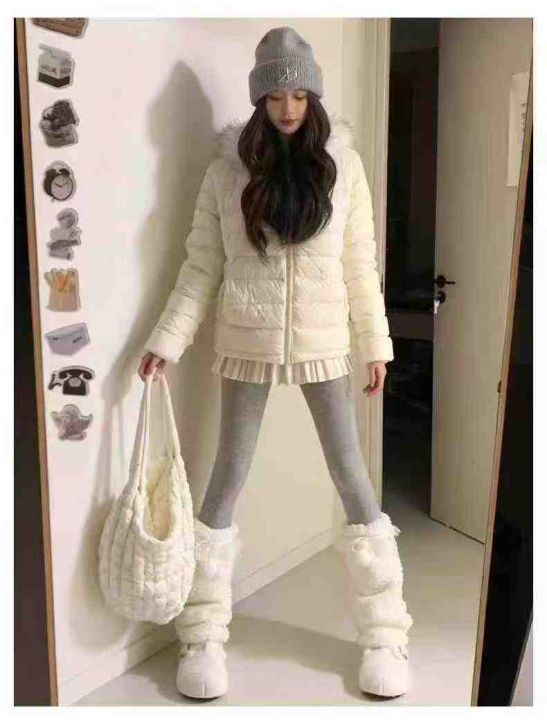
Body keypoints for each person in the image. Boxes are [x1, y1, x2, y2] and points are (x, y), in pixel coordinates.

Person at [138, 26, 413, 701]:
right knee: (224, 483)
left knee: (353, 482)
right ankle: (202, 634)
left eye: (298, 95)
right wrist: (167, 339)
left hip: (324, 344)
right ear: (259, 100)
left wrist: (376, 345)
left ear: (312, 97)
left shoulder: (344, 167)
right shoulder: (226, 173)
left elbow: (360, 264)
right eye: (275, 96)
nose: (288, 108)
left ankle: (385, 634)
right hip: (245, 343)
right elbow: (201, 266)